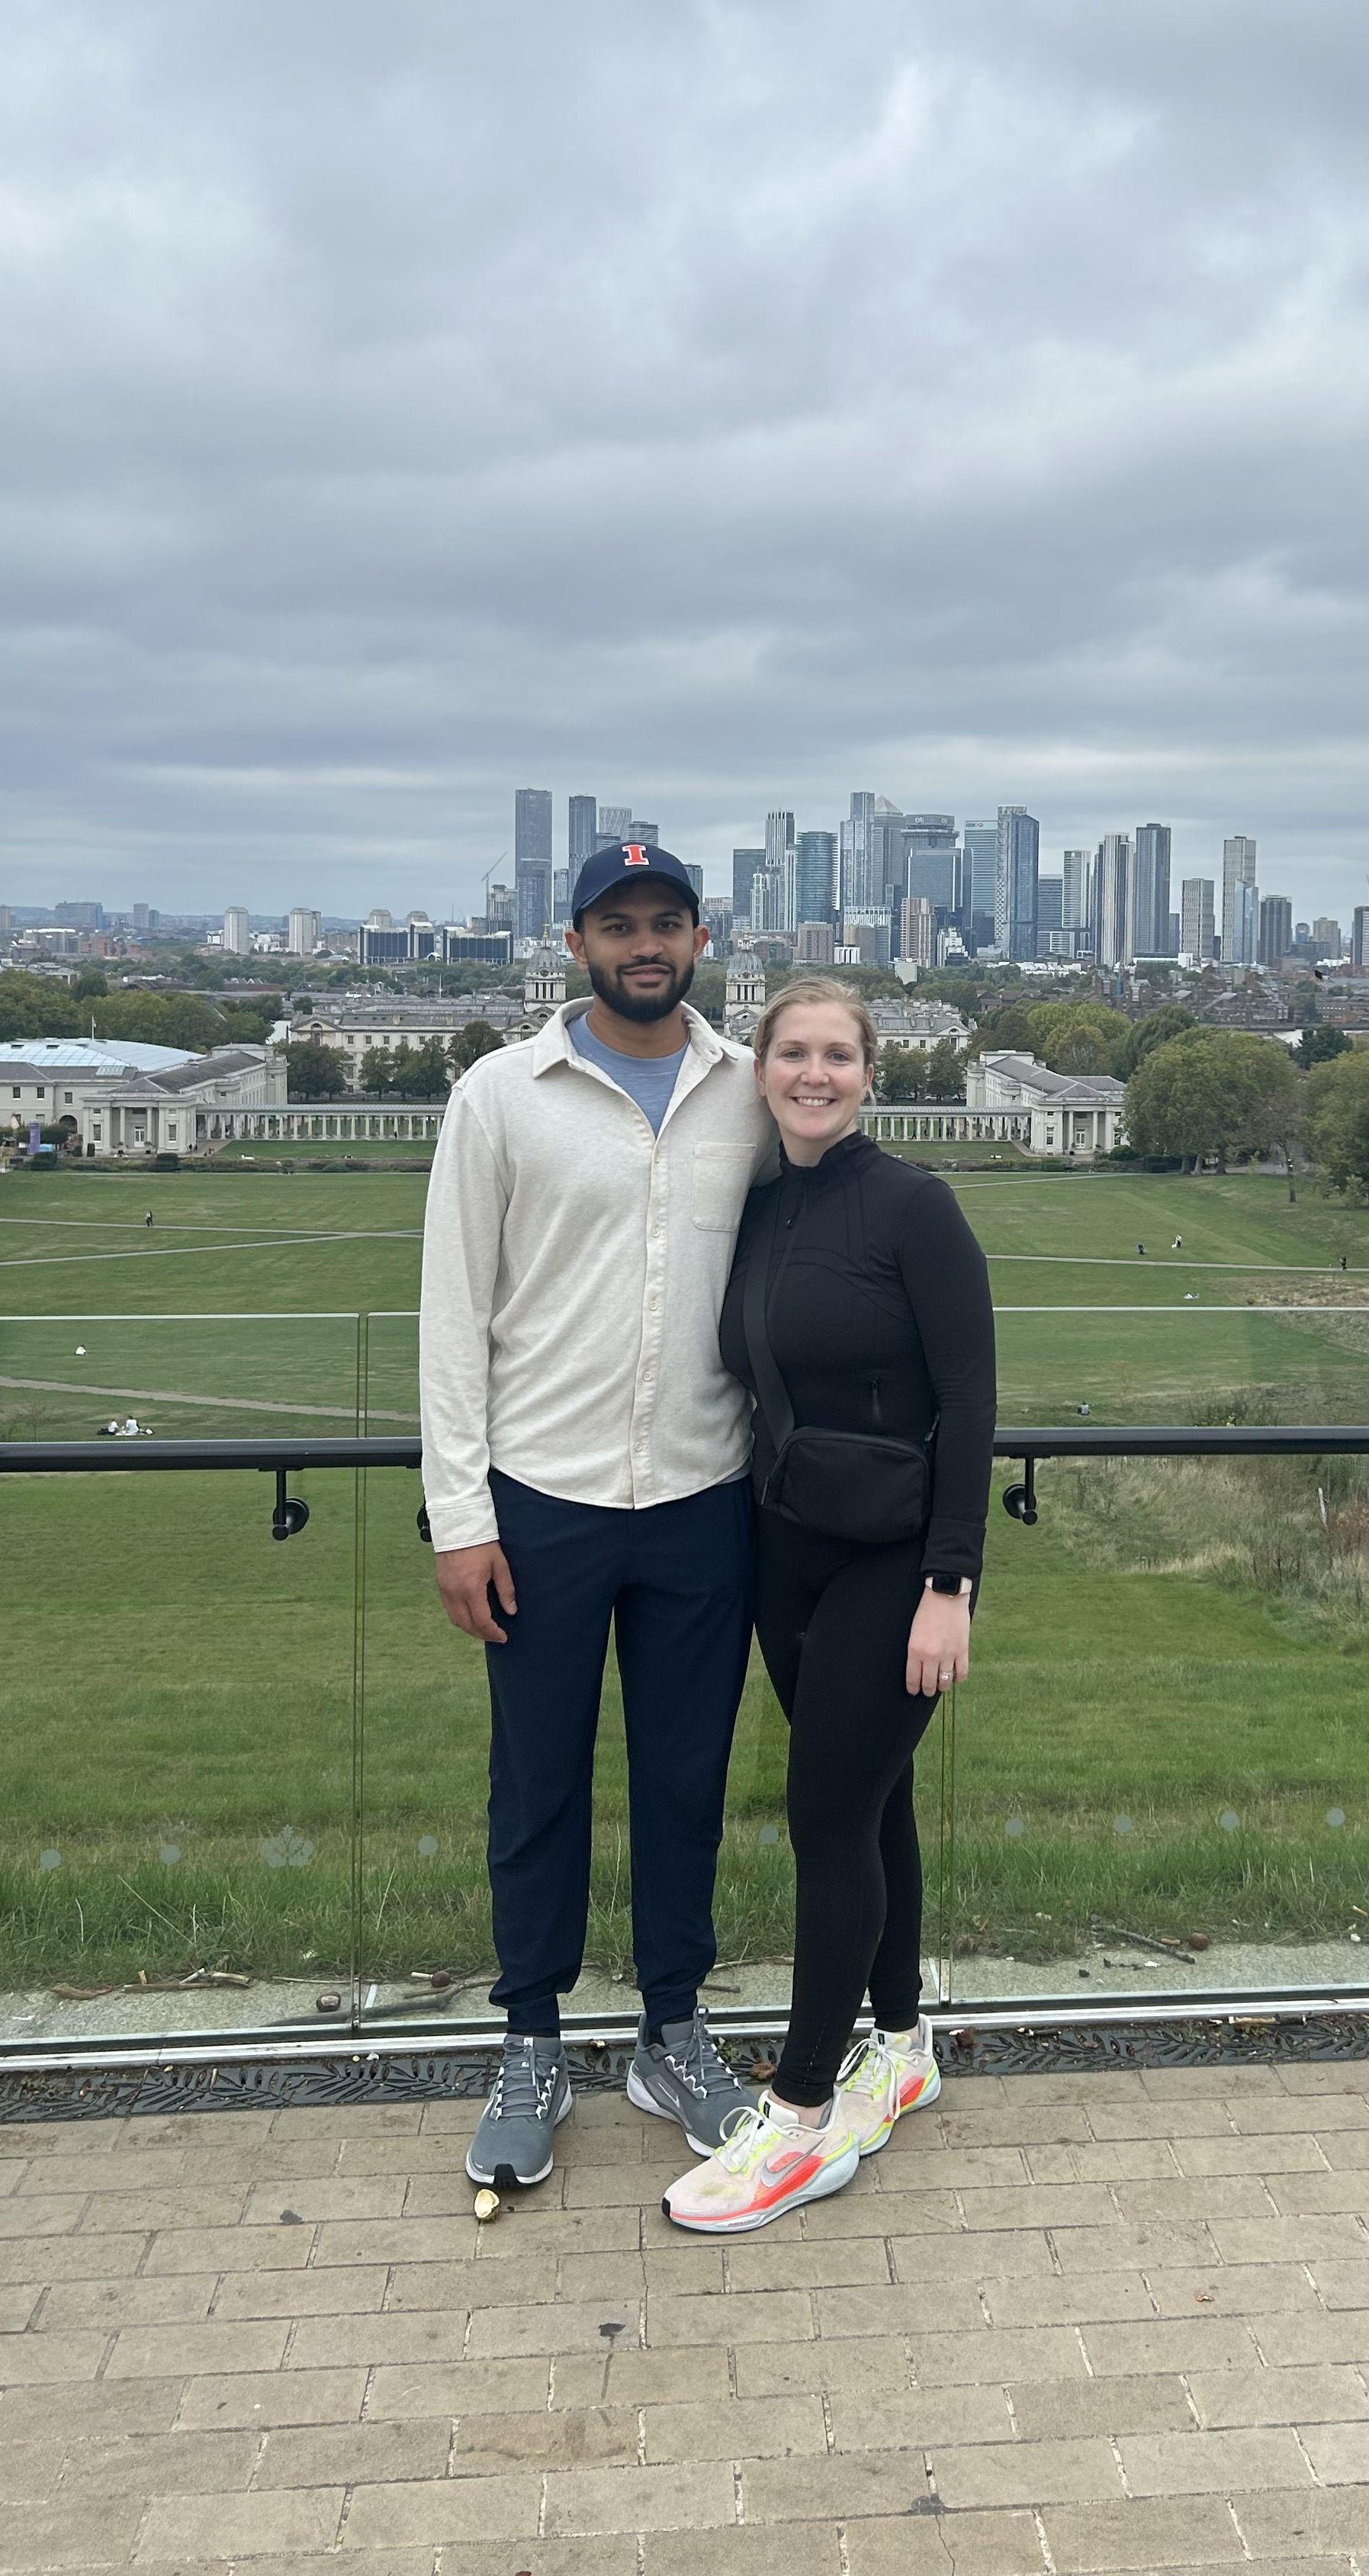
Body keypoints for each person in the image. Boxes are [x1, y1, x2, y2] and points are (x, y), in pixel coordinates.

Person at [419, 844, 778, 2198]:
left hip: (702, 1497)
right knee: (538, 1786)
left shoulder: (749, 1092)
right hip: (541, 1503)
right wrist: (461, 1516)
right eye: (617, 925)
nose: (644, 945)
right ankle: (531, 2039)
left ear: (699, 940)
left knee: (686, 1782)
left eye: (665, 923)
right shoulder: (500, 1094)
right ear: (574, 943)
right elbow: (453, 1315)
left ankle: (672, 2032)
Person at [661, 979, 996, 2234]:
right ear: (761, 1071)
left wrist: (950, 1586)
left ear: (869, 1074)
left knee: (826, 1818)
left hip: (894, 1563)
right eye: (793, 1053)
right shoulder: (761, 1209)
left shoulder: (914, 1207)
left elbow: (971, 1404)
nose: (815, 1074)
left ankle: (800, 2116)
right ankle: (899, 2048)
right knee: (871, 1798)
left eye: (838, 1055)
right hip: (785, 1549)